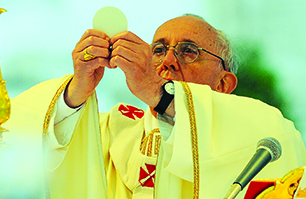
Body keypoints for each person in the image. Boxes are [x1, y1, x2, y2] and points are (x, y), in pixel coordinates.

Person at [16, 14, 306, 198]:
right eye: (158, 50)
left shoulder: (261, 125)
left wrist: (160, 92)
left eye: (188, 51)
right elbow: (21, 142)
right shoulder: (115, 128)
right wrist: (76, 91)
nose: (167, 61)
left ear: (223, 84)